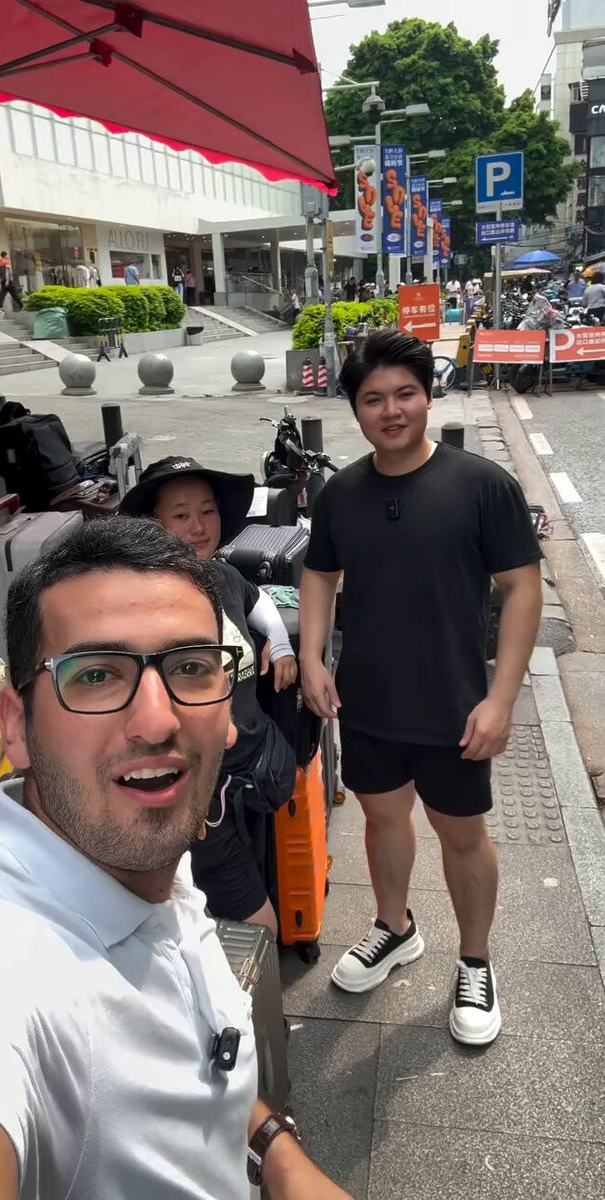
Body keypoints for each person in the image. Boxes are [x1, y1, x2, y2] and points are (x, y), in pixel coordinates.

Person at [0, 519, 350, 1200]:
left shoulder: (137, 851)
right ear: (15, 725)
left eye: (190, 668)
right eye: (96, 675)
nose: (158, 720)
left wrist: (277, 1153)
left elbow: (194, 1056)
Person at [299, 330, 542, 1047]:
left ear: (428, 397)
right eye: (373, 399)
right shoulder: (340, 493)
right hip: (368, 700)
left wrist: (501, 698)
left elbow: (521, 590)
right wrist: (311, 657)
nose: (391, 410)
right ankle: (394, 927)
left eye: (405, 393)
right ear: (355, 410)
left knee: (461, 835)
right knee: (381, 821)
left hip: (455, 704)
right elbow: (319, 574)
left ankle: (475, 961)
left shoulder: (482, 485)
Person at [119, 459, 298, 937]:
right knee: (254, 921)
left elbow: (258, 601)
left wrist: (279, 643)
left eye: (207, 511)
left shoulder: (218, 574)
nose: (198, 527)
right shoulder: (148, 604)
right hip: (205, 793)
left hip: (251, 771)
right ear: (153, 524)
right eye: (181, 515)